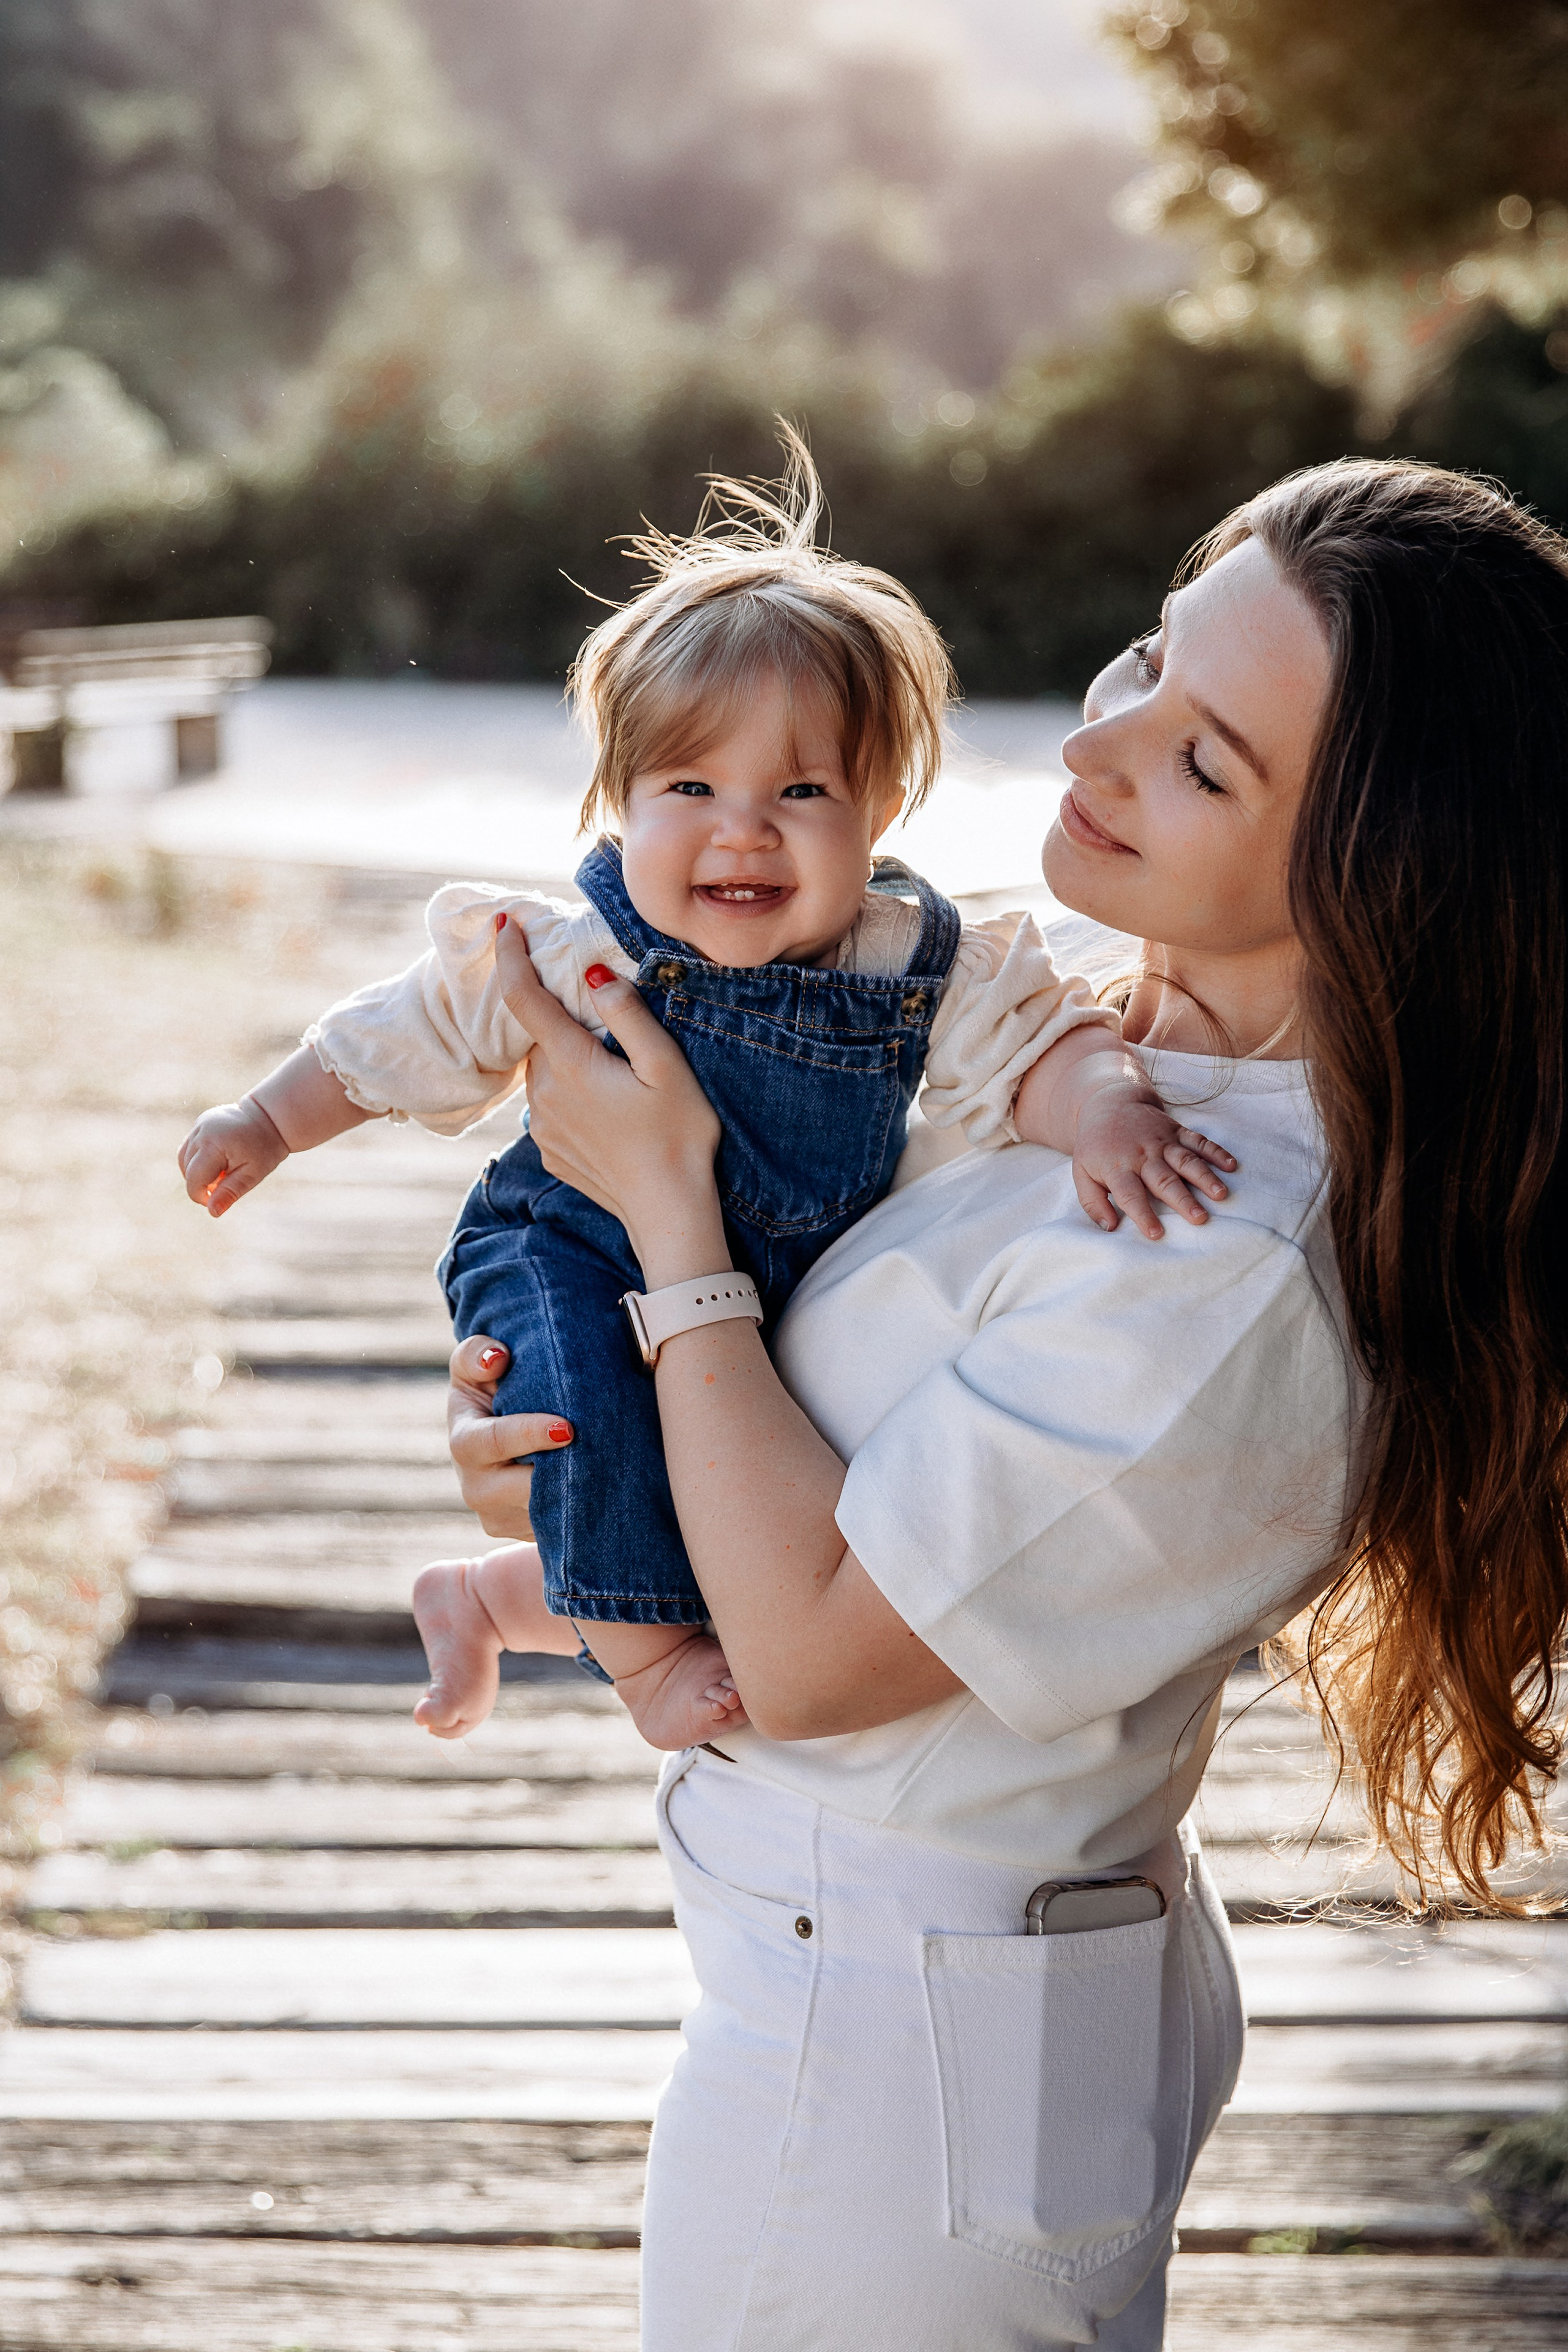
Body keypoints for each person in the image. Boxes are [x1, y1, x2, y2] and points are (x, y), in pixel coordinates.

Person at [443, 459, 1568, 2349]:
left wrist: (665, 1212)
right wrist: (555, 1448)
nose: (1103, 744)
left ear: (1389, 875)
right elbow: (807, 1455)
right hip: (911, 1998)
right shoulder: (1068, 1049)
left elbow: (805, 1655)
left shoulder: (1222, 1268)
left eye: (1208, 764)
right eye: (1145, 660)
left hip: (895, 2067)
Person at [176, 439, 1232, 1752]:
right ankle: (640, 1667)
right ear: (616, 807)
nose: (743, 830)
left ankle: (490, 1600)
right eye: (689, 788)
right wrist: (268, 1122)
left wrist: (1111, 1107)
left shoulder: (909, 964)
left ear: (880, 807)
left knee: (708, 1488)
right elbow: (402, 1031)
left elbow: (1035, 1046)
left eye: (800, 791)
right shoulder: (574, 951)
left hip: (760, 1283)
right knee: (581, 1420)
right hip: (563, 1249)